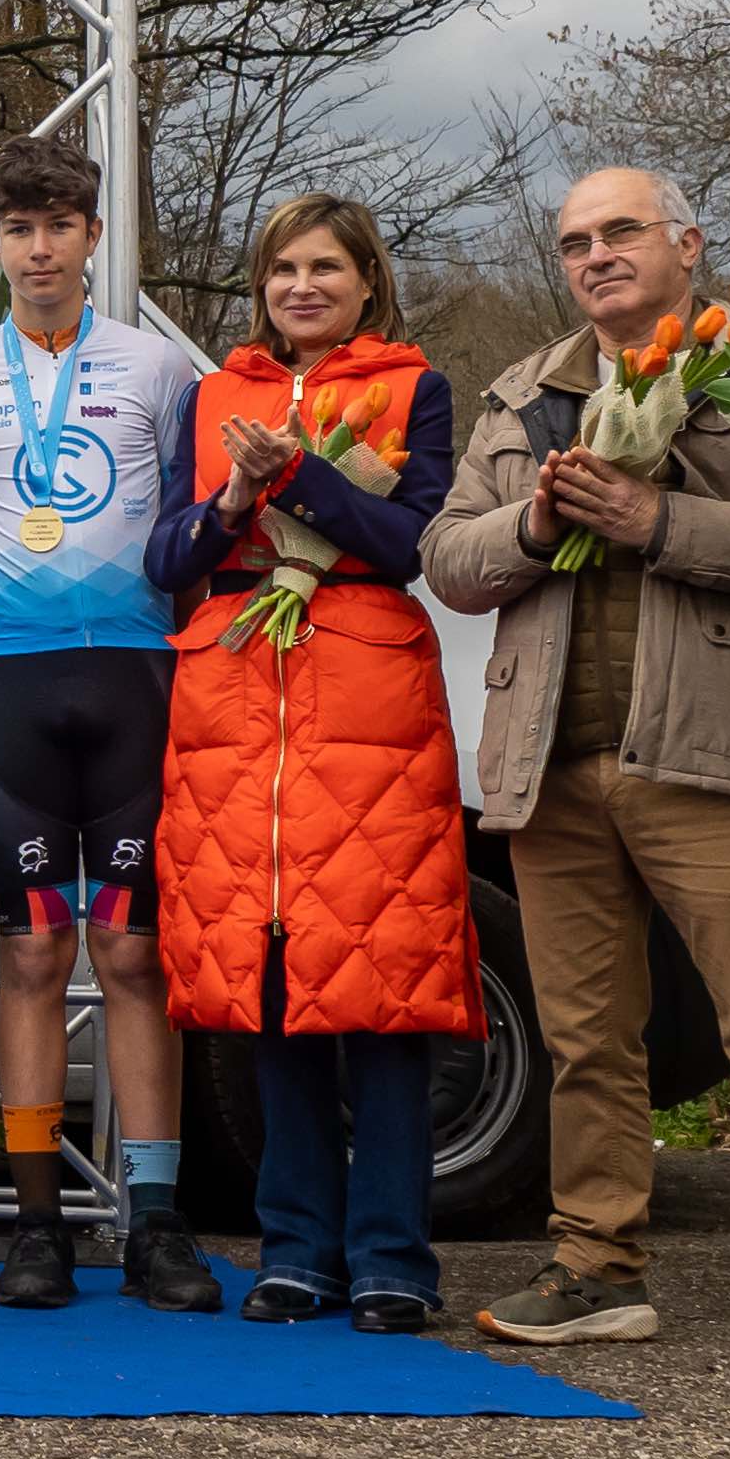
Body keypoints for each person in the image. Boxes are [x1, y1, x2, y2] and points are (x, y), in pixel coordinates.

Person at [421, 166, 730, 1367]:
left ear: (688, 241)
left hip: (707, 755)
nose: (594, 254)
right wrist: (531, 525)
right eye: (573, 240)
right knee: (582, 1039)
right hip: (550, 760)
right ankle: (595, 1263)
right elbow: (447, 558)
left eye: (619, 230)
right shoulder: (525, 393)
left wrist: (651, 520)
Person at [0, 135, 219, 1312]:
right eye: (16, 229)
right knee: (34, 950)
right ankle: (38, 1222)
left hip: (139, 683)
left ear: (92, 237)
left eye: (59, 226)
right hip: (18, 692)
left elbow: (190, 537)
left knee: (135, 953)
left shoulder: (156, 371)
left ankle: (153, 1220)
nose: (38, 249)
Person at [149, 202, 468, 1331]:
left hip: (362, 695)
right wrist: (233, 497)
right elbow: (165, 555)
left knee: (378, 990)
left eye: (324, 266)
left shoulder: (411, 387)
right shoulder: (212, 395)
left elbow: (412, 544)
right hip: (234, 703)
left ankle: (389, 1259)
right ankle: (294, 1251)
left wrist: (300, 483)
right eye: (281, 267)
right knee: (265, 989)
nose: (300, 284)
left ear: (366, 280)